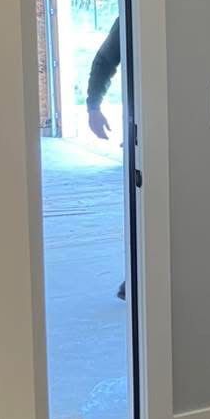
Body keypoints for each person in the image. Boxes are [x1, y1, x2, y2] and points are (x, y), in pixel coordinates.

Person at [86, 17, 126, 300]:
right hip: (148, 130)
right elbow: (105, 60)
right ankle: (142, 273)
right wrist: (93, 106)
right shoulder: (136, 10)